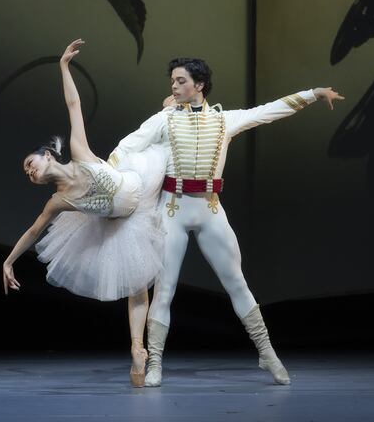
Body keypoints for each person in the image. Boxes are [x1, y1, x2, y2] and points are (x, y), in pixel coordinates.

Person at [108, 58, 344, 387]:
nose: (173, 87)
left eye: (180, 81)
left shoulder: (223, 120)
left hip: (209, 209)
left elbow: (269, 110)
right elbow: (126, 146)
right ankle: (156, 363)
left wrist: (313, 94)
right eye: (172, 81)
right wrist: (108, 178)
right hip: (172, 211)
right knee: (164, 290)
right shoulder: (164, 120)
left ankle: (267, 353)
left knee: (237, 283)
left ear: (199, 85)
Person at [2, 39, 167, 387]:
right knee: (137, 284)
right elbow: (34, 232)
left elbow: (73, 103)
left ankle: (172, 111)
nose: (29, 172)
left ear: (48, 155)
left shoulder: (77, 151)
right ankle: (138, 349)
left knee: (158, 141)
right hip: (123, 220)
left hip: (140, 181)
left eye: (30, 164)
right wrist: (8, 260)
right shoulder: (58, 202)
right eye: (26, 174)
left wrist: (63, 66)